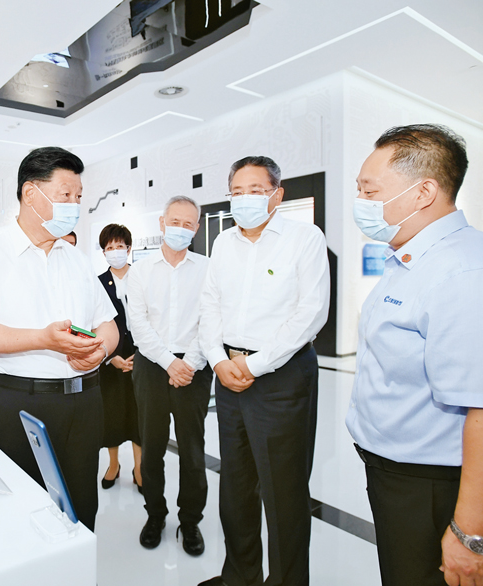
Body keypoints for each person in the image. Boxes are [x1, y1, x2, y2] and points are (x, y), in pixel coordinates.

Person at [0, 146, 119, 531]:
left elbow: (108, 324)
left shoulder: (76, 259)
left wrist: (100, 351)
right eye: (65, 195)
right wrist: (43, 339)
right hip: (15, 404)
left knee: (79, 512)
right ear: (30, 193)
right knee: (15, 515)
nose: (74, 205)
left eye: (78, 197)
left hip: (84, 403)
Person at [345, 124, 483, 586]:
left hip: (431, 487)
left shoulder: (460, 271)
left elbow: (480, 411)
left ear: (423, 192)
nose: (360, 201)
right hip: (395, 473)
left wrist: (468, 534)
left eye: (370, 191)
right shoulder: (410, 258)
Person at [198, 156, 329, 586]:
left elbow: (311, 312)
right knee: (235, 484)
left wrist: (253, 364)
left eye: (255, 190)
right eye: (236, 191)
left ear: (277, 194)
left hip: (282, 375)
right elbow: (210, 304)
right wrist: (218, 359)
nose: (244, 199)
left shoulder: (304, 238)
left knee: (283, 491)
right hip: (228, 373)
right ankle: (240, 575)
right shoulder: (223, 242)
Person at [127, 195, 213, 556]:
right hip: (152, 365)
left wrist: (188, 362)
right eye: (174, 221)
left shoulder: (208, 268)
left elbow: (211, 320)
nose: (180, 228)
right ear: (162, 223)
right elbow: (138, 324)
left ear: (196, 228)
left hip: (194, 366)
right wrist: (168, 362)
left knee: (193, 450)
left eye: (188, 223)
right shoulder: (141, 271)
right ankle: (155, 515)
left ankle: (190, 521)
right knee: (152, 448)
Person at [96, 224, 142, 493]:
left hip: (142, 354)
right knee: (111, 414)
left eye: (119, 246)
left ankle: (140, 467)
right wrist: (110, 356)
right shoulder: (98, 283)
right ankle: (113, 465)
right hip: (110, 357)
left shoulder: (143, 277)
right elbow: (93, 323)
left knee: (139, 414)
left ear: (129, 248)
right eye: (109, 248)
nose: (115, 251)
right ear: (104, 252)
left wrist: (143, 354)